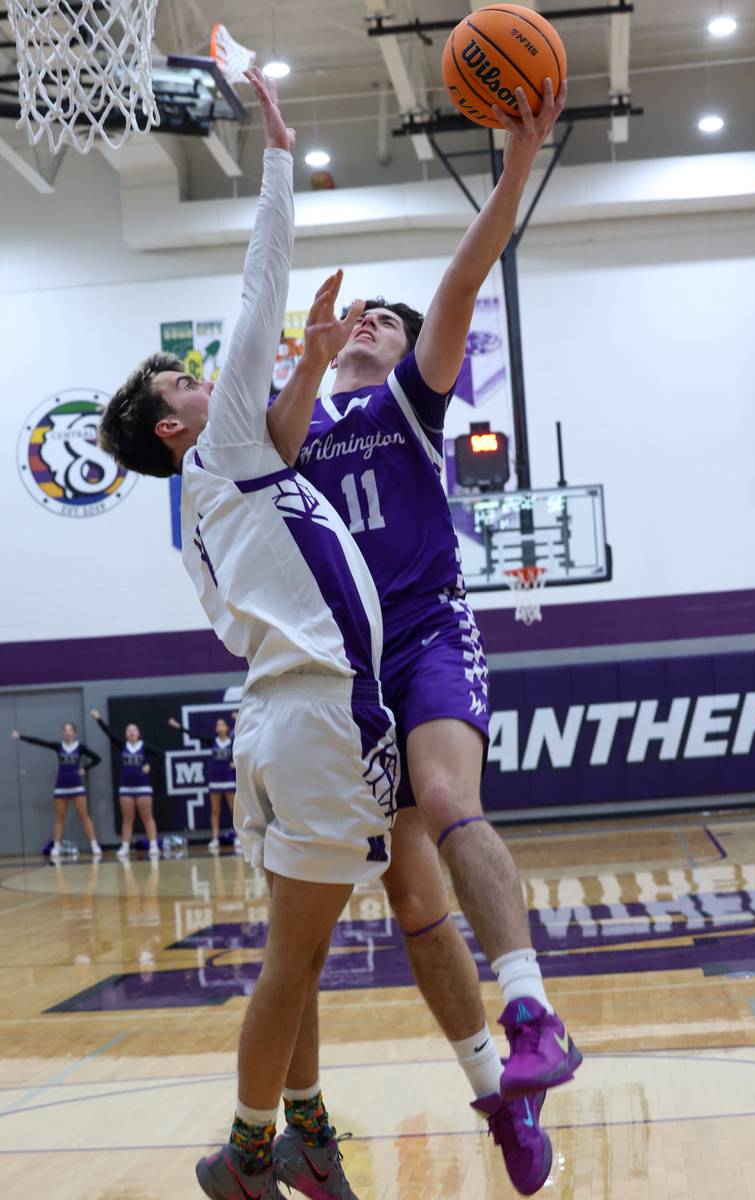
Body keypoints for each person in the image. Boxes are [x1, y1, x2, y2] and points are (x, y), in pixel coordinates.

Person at [268, 79, 579, 1195]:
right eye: (364, 317)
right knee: (407, 909)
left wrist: (508, 176)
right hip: (337, 675)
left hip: (425, 630)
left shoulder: (405, 403)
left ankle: (532, 1003)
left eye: (388, 322)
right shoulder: (290, 421)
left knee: (452, 807)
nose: (376, 324)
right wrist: (301, 350)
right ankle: (496, 1093)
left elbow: (459, 280)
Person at [97, 70, 397, 1200]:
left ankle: (306, 1132)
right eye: (194, 381)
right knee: (296, 963)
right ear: (180, 422)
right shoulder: (210, 451)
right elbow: (257, 279)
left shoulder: (217, 481)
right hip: (313, 713)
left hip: (283, 717)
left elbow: (277, 434)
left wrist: (313, 359)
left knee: (300, 957)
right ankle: (247, 1148)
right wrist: (276, 151)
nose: (212, 378)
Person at [11, 723, 102, 859]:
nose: (67, 732)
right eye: (65, 730)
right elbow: (40, 742)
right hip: (61, 786)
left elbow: (97, 758)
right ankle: (57, 847)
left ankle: (94, 845)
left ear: (74, 733)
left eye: (70, 730)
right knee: (60, 818)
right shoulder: (59, 746)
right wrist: (21, 737)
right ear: (62, 733)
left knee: (84, 816)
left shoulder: (80, 747)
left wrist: (85, 769)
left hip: (76, 786)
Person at [90, 710, 163, 860]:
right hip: (126, 788)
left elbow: (161, 754)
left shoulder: (144, 746)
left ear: (139, 733)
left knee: (147, 817)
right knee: (127, 818)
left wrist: (150, 765)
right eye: (129, 730)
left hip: (143, 787)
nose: (131, 732)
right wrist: (98, 719)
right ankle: (125, 846)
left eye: (134, 730)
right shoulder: (122, 745)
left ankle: (154, 845)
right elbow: (109, 733)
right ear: (125, 734)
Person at [167, 712, 239, 851]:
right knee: (215, 810)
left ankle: (238, 837)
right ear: (215, 729)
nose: (220, 727)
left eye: (222, 725)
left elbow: (244, 745)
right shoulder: (212, 741)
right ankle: (215, 838)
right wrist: (179, 727)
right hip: (215, 781)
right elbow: (193, 734)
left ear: (227, 728)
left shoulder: (234, 741)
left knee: (234, 811)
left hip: (229, 780)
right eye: (218, 725)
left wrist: (235, 763)